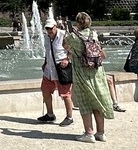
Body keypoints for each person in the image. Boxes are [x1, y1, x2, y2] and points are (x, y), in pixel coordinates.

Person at [66, 12, 113, 143]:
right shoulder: (94, 34)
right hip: (97, 72)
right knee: (98, 101)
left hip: (82, 73)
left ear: (77, 22)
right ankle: (101, 133)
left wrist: (69, 32)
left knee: (85, 103)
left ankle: (89, 133)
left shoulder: (73, 37)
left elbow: (65, 46)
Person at [37, 17, 75, 127]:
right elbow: (48, 52)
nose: (49, 31)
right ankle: (50, 114)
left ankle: (69, 117)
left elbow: (73, 50)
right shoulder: (46, 38)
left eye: (51, 28)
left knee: (65, 94)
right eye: (47, 29)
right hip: (49, 70)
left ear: (55, 27)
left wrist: (67, 59)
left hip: (61, 70)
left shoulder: (64, 36)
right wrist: (45, 62)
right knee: (45, 90)